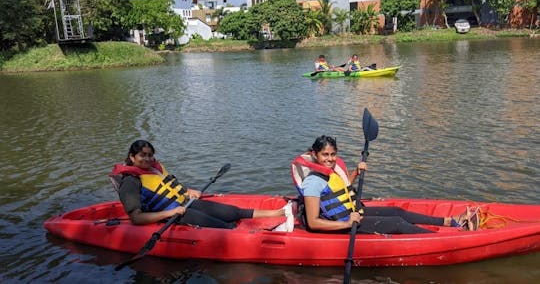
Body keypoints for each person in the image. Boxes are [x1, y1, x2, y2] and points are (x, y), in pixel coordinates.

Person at [291, 135, 478, 233]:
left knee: (397, 212)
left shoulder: (330, 171)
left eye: (333, 154)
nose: (330, 159)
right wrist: (347, 224)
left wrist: (356, 172)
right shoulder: (312, 183)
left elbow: (342, 189)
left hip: (350, 215)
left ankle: (450, 221)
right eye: (325, 155)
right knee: (396, 223)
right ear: (315, 155)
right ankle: (448, 236)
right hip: (341, 225)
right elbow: (314, 223)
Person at [110, 140, 288, 229]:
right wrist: (171, 212)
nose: (148, 159)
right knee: (224, 226)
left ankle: (278, 213)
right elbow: (136, 218)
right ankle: (266, 232)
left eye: (150, 155)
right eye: (143, 156)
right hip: (170, 216)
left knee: (231, 212)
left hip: (185, 203)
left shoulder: (155, 169)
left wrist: (188, 190)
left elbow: (169, 187)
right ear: (132, 158)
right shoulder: (130, 182)